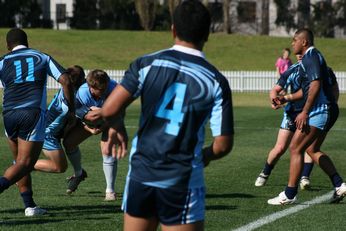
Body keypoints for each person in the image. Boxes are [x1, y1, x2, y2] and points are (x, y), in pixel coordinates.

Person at [101, 1, 234, 230]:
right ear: (207, 34)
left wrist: (117, 125)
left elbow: (109, 110)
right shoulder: (215, 80)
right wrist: (204, 157)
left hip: (142, 174)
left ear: (173, 29)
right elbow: (223, 145)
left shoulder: (146, 63)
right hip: (182, 180)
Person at [0, 28, 75, 216]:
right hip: (32, 113)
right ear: (27, 41)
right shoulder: (41, 57)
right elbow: (66, 80)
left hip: (9, 114)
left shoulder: (3, 61)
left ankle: (29, 206)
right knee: (25, 163)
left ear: (8, 45)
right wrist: (71, 109)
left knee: (19, 162)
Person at [268, 28, 346, 205]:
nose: (292, 43)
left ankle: (289, 194)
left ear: (304, 42)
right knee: (312, 149)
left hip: (321, 109)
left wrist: (304, 112)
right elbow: (305, 92)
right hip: (327, 108)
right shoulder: (310, 59)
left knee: (295, 148)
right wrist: (284, 98)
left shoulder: (311, 56)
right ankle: (339, 184)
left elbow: (316, 86)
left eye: (295, 40)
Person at [255, 57, 339, 190]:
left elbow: (334, 89)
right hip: (292, 113)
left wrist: (329, 104)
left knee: (309, 147)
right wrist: (274, 100)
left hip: (311, 114)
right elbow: (275, 90)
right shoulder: (292, 69)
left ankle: (304, 177)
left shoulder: (325, 71)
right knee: (280, 148)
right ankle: (265, 172)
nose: (301, 56)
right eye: (299, 54)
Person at [63, 69, 126, 201]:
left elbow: (119, 113)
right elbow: (80, 115)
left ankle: (110, 190)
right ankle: (79, 173)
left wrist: (103, 122)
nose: (103, 91)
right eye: (100, 90)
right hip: (90, 121)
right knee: (69, 143)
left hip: (112, 119)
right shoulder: (82, 92)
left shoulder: (115, 89)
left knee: (107, 149)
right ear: (91, 87)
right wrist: (91, 128)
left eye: (105, 88)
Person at [34, 65, 85, 173]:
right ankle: (23, 165)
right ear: (79, 80)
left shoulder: (67, 90)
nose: (85, 80)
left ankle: (22, 164)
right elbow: (71, 123)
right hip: (47, 135)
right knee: (59, 167)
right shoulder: (71, 101)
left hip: (47, 131)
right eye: (83, 78)